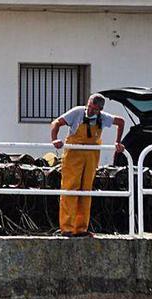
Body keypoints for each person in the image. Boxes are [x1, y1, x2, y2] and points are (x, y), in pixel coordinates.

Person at [51, 93, 125, 237]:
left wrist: (118, 142)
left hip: (91, 155)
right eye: (90, 107)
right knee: (70, 189)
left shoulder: (102, 118)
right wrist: (55, 139)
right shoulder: (77, 112)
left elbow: (120, 122)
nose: (91, 110)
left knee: (86, 190)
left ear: (100, 110)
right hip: (74, 153)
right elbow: (56, 123)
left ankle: (81, 228)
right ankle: (67, 228)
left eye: (95, 109)